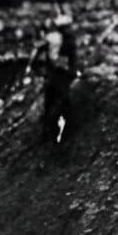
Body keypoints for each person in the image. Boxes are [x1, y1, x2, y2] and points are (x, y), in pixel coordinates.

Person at [30, 15, 79, 144]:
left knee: (51, 107)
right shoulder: (66, 42)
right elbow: (70, 62)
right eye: (68, 28)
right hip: (59, 79)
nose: (70, 30)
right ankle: (54, 138)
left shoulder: (53, 39)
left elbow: (36, 56)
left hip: (55, 78)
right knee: (60, 108)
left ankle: (49, 136)